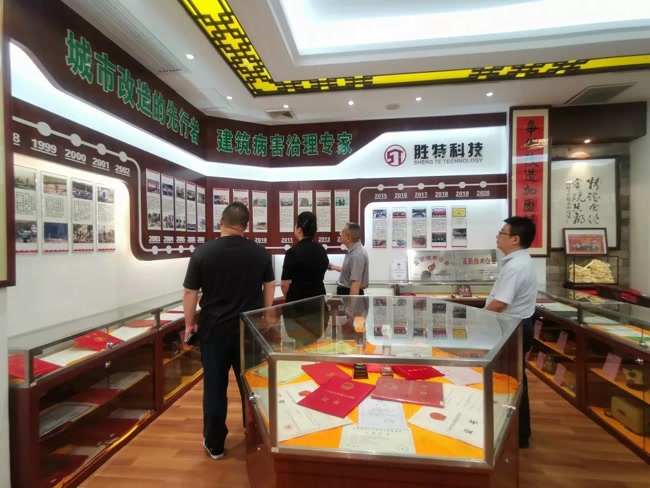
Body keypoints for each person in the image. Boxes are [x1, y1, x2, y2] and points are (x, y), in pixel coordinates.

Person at [182, 202, 275, 460]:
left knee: (214, 388)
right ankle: (254, 435)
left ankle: (214, 444)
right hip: (249, 330)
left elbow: (190, 292)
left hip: (214, 331)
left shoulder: (203, 253)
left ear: (221, 222)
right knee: (252, 387)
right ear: (246, 226)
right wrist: (267, 313)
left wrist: (189, 324)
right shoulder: (260, 253)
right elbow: (270, 284)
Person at [484, 216, 537, 449]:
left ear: (515, 239)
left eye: (502, 233)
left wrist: (478, 318)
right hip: (516, 326)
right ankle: (517, 431)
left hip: (512, 328)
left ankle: (516, 434)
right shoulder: (519, 261)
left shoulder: (516, 266)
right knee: (513, 378)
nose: (498, 236)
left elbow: (500, 303)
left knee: (510, 381)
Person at [280, 211, 330, 346]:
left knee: (300, 342)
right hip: (318, 303)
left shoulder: (292, 252)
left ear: (299, 229)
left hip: (298, 305)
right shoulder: (321, 250)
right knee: (314, 342)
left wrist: (290, 298)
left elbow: (284, 284)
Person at [330, 222, 369, 296]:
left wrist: (351, 303)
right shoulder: (353, 251)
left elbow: (356, 284)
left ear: (348, 238)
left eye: (342, 232)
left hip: (349, 293)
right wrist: (333, 267)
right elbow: (351, 271)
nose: (340, 234)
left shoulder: (357, 255)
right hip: (345, 292)